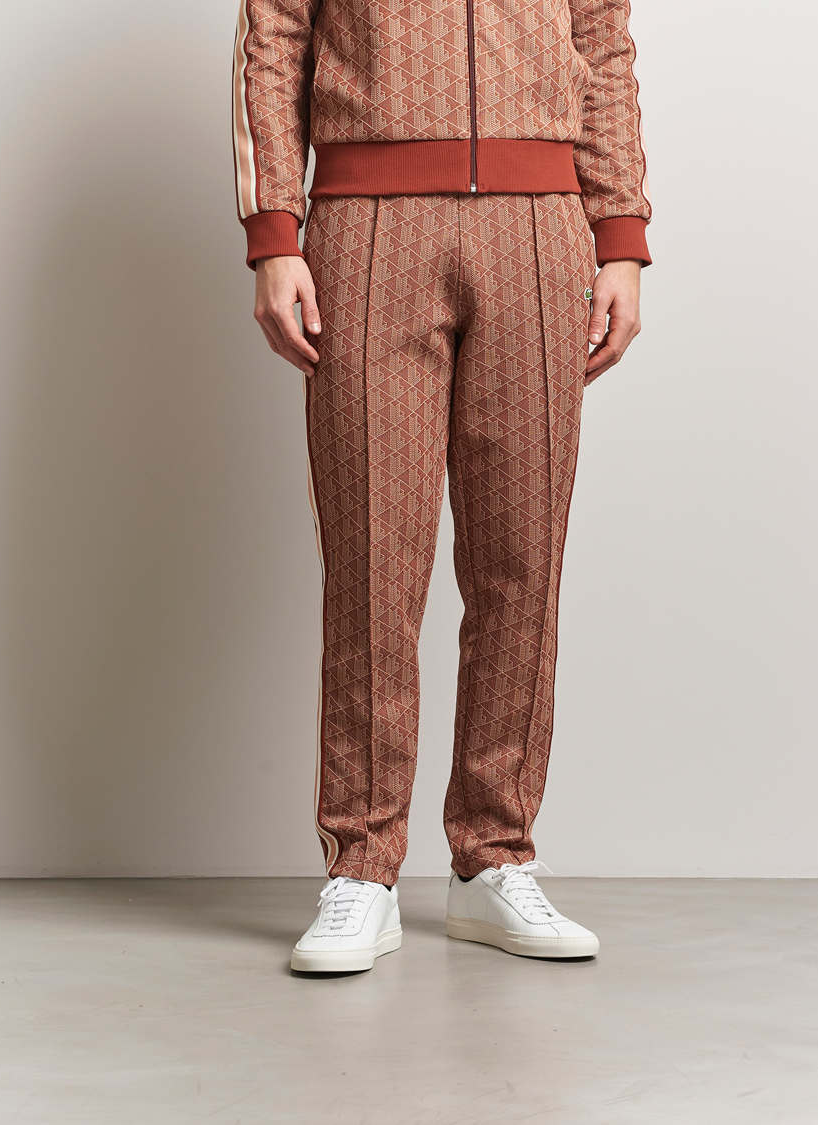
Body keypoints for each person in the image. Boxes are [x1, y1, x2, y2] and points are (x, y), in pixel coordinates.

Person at [232, 0, 651, 973]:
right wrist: (274, 233)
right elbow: (274, 34)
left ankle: (494, 858)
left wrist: (621, 232)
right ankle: (362, 868)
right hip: (366, 222)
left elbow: (602, 40)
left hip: (540, 229)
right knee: (373, 565)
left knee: (522, 563)